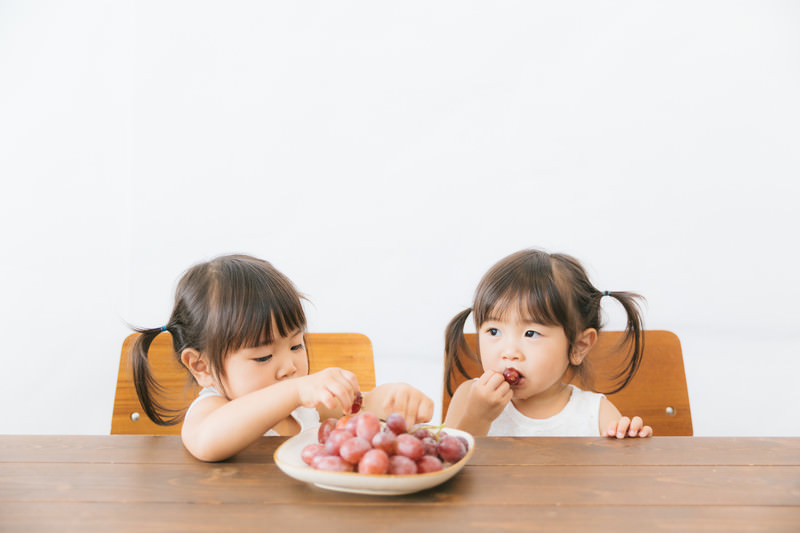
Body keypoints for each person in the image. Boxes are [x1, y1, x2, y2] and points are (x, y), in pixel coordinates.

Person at [130, 254, 434, 461]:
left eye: (296, 346)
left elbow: (359, 408)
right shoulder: (212, 409)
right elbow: (207, 443)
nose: (290, 367)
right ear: (202, 367)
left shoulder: (302, 407)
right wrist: (296, 390)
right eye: (263, 357)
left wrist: (390, 399)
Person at [443, 249, 653, 438]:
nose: (509, 352)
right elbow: (445, 466)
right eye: (494, 331)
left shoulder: (596, 415)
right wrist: (477, 417)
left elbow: (620, 475)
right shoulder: (469, 398)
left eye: (531, 333)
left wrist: (629, 442)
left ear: (579, 346)